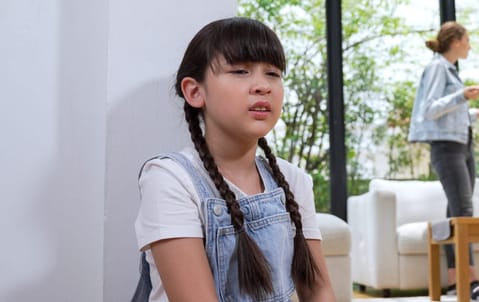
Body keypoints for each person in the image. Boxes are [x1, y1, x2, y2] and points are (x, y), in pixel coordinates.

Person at [131, 17, 336, 301]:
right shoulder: (170, 178)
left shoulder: (293, 180)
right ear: (194, 91)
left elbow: (318, 290)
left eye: (273, 74)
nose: (262, 85)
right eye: (240, 71)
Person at [408, 21, 479, 300]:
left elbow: (448, 113)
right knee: (464, 213)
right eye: (467, 39)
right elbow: (429, 109)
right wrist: (462, 95)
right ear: (455, 40)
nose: (469, 45)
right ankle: (472, 280)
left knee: (455, 213)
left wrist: (470, 113)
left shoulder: (450, 70)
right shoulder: (437, 67)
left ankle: (456, 282)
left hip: (461, 145)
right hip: (447, 148)